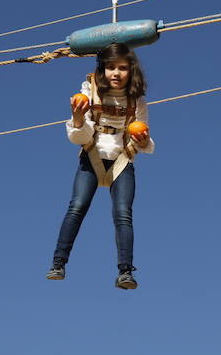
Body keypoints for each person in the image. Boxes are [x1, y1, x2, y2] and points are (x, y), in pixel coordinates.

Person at [46, 42, 155, 289]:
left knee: (123, 214)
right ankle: (58, 263)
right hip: (92, 156)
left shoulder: (137, 101)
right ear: (103, 70)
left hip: (121, 159)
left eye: (123, 68)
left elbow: (144, 136)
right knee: (77, 206)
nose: (116, 73)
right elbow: (80, 137)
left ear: (131, 71)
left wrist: (144, 140)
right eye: (111, 68)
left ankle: (126, 271)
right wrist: (76, 119)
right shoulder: (89, 92)